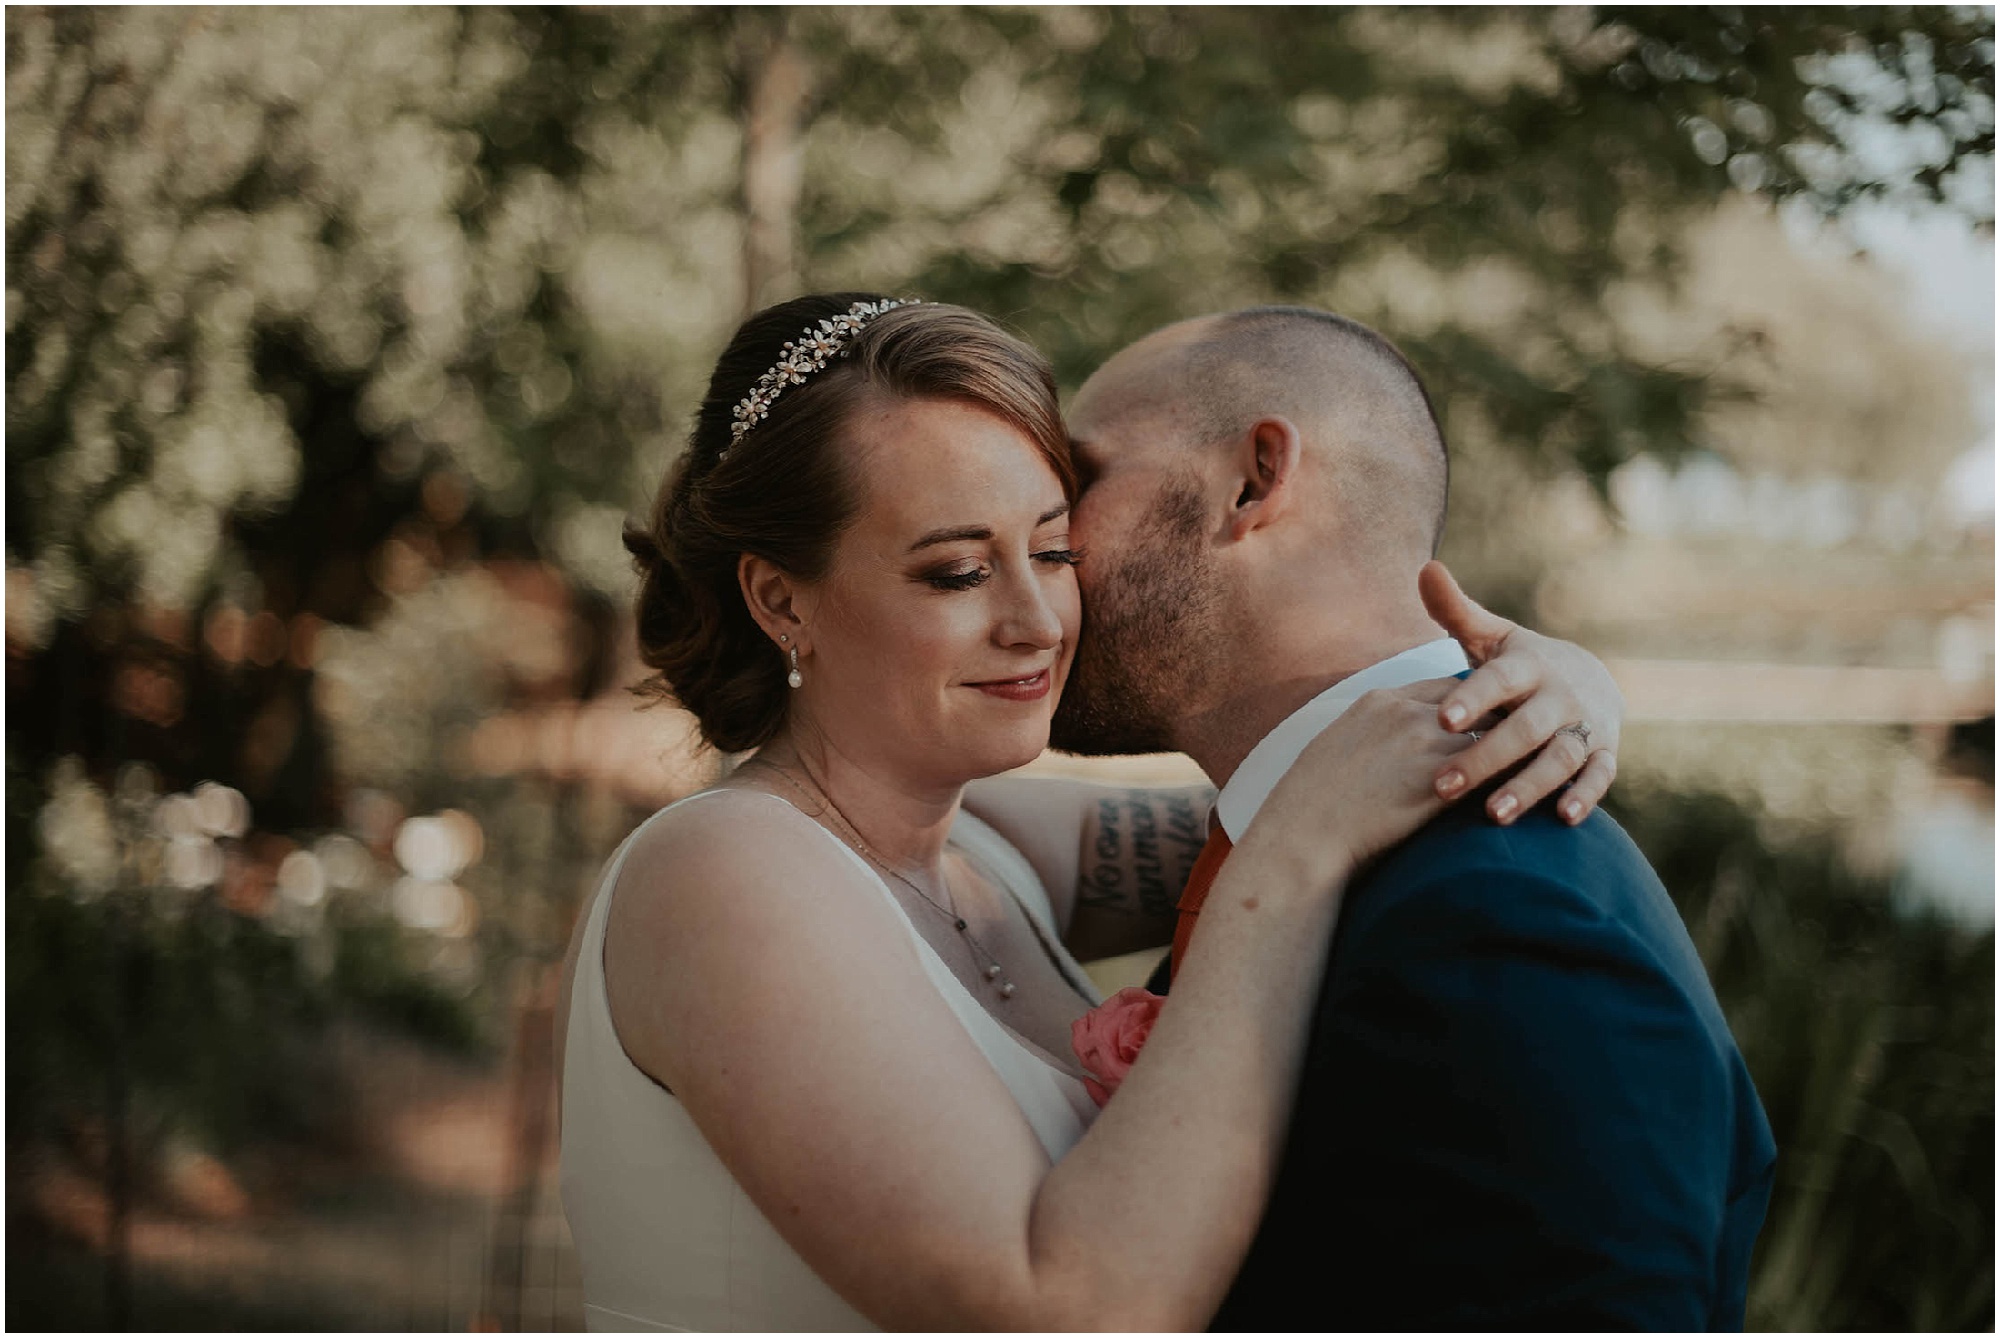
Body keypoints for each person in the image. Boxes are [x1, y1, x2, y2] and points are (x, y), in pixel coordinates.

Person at [557, 293, 1627, 1330]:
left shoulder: (984, 846)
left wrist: (1545, 690)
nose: (1036, 621)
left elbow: (1348, 801)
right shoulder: (723, 874)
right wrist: (1290, 857)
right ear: (781, 599)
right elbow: (1068, 1315)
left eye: (1054, 549)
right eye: (957, 571)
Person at [1052, 304, 1777, 1330]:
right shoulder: (1308, 834)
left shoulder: (1503, 920)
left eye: (1081, 479)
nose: (1043, 537)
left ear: (1254, 480)